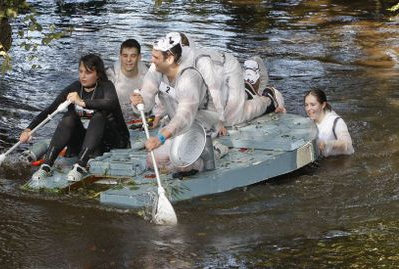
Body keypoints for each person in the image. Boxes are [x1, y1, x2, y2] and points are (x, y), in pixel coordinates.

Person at [20, 54, 130, 181]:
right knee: (70, 116)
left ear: (98, 74)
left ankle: (80, 166)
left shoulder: (107, 86)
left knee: (98, 116)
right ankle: (47, 165)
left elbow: (110, 102)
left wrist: (82, 102)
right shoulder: (75, 88)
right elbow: (51, 110)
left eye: (88, 72)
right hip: (87, 142)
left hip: (111, 142)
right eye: (81, 71)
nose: (83, 76)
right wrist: (29, 129)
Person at [130, 32, 219, 170]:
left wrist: (160, 138)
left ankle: (214, 151)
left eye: (156, 57)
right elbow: (147, 96)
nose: (151, 60)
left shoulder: (189, 77)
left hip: (200, 127)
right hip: (174, 126)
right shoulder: (156, 69)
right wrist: (139, 102)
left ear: (170, 59)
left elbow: (184, 116)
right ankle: (183, 153)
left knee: (182, 166)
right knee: (153, 161)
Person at [167, 32, 282, 136]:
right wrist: (158, 115)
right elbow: (165, 88)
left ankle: (269, 99)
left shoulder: (201, 63)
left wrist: (219, 122)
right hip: (217, 76)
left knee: (232, 118)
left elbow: (214, 91)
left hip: (228, 70)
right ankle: (246, 91)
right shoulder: (167, 59)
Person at [304, 89, 354, 157]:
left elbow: (347, 144)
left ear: (323, 105)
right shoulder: (307, 122)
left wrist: (327, 144)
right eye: (306, 105)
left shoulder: (336, 122)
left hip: (340, 161)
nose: (308, 109)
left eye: (312, 105)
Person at [106, 39, 148, 119]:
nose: (128, 60)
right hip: (117, 117)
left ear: (139, 57)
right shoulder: (111, 74)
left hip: (140, 116)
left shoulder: (148, 74)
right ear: (120, 57)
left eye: (133, 56)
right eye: (125, 56)